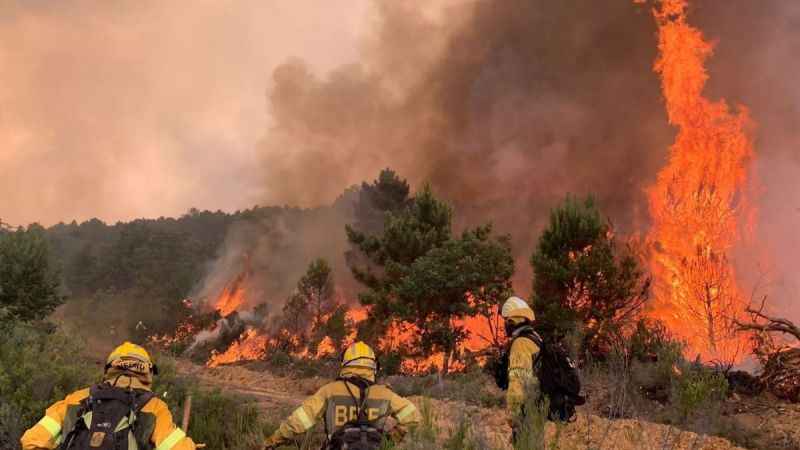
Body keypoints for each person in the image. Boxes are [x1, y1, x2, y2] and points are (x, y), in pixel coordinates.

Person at [21, 342, 197, 450]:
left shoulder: (77, 398)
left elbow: (31, 441)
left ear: (109, 369)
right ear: (147, 371)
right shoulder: (155, 407)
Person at [263, 341, 420, 450]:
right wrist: (388, 442)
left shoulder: (330, 391)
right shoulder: (385, 394)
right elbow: (412, 417)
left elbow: (298, 421)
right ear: (373, 366)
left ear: (345, 364)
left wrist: (272, 441)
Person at [501, 296, 541, 418]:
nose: (505, 324)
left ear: (512, 321)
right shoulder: (535, 337)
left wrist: (513, 415)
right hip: (538, 406)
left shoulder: (520, 343)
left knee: (522, 437)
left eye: (507, 320)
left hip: (527, 410)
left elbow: (518, 379)